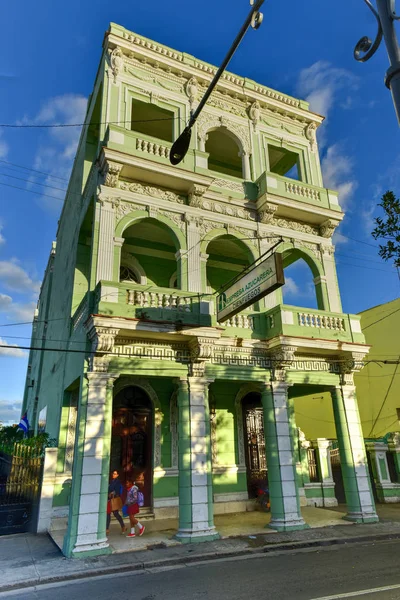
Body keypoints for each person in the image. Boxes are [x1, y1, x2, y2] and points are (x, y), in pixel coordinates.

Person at [106, 470, 126, 535]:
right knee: (108, 514)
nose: (113, 475)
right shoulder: (112, 481)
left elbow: (117, 491)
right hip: (109, 500)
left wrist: (112, 493)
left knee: (115, 514)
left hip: (113, 499)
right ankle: (107, 529)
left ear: (117, 475)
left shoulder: (117, 482)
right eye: (113, 473)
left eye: (115, 474)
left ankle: (123, 526)